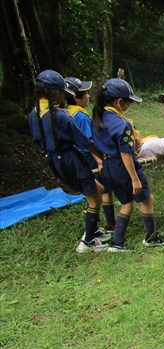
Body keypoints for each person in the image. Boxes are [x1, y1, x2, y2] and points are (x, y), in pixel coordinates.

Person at [29, 70, 108, 253]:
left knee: (100, 190)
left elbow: (37, 140)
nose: (65, 95)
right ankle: (87, 242)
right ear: (53, 92)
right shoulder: (60, 115)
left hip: (54, 160)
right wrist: (103, 157)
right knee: (94, 200)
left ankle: (93, 230)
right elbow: (84, 142)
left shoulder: (34, 113)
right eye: (62, 91)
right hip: (70, 160)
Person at [92, 78, 164, 252]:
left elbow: (91, 144)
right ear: (119, 102)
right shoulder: (121, 123)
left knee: (128, 202)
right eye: (129, 102)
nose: (129, 106)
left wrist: (102, 159)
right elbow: (126, 153)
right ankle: (151, 237)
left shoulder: (98, 117)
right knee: (147, 199)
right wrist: (135, 179)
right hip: (123, 167)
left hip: (108, 165)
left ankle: (117, 242)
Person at [65, 75, 117, 234]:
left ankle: (96, 224)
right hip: (89, 156)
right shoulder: (80, 117)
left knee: (94, 191)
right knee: (105, 189)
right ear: (76, 97)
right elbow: (88, 142)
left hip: (78, 158)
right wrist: (100, 161)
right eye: (85, 93)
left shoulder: (68, 113)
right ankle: (110, 223)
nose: (88, 96)